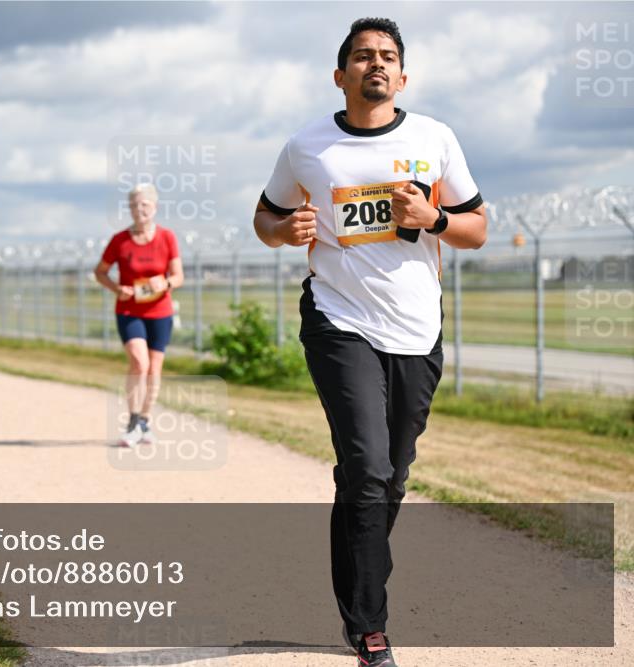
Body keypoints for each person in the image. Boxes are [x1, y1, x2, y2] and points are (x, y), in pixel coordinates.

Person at [253, 18, 486, 667]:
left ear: (402, 76)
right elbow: (264, 215)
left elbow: (478, 226)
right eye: (361, 56)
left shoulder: (434, 138)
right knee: (367, 467)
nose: (374, 64)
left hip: (416, 328)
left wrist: (433, 217)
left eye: (386, 56)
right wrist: (284, 228)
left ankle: (355, 572)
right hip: (338, 319)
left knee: (390, 475)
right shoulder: (307, 147)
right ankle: (369, 626)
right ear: (341, 74)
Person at [94, 183, 184, 447]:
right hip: (129, 310)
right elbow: (100, 271)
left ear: (154, 207)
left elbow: (178, 276)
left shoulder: (167, 238)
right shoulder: (119, 241)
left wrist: (165, 284)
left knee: (154, 369)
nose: (138, 209)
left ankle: (145, 421)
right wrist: (115, 288)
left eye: (144, 204)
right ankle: (133, 421)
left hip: (160, 311)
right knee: (139, 363)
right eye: (133, 205)